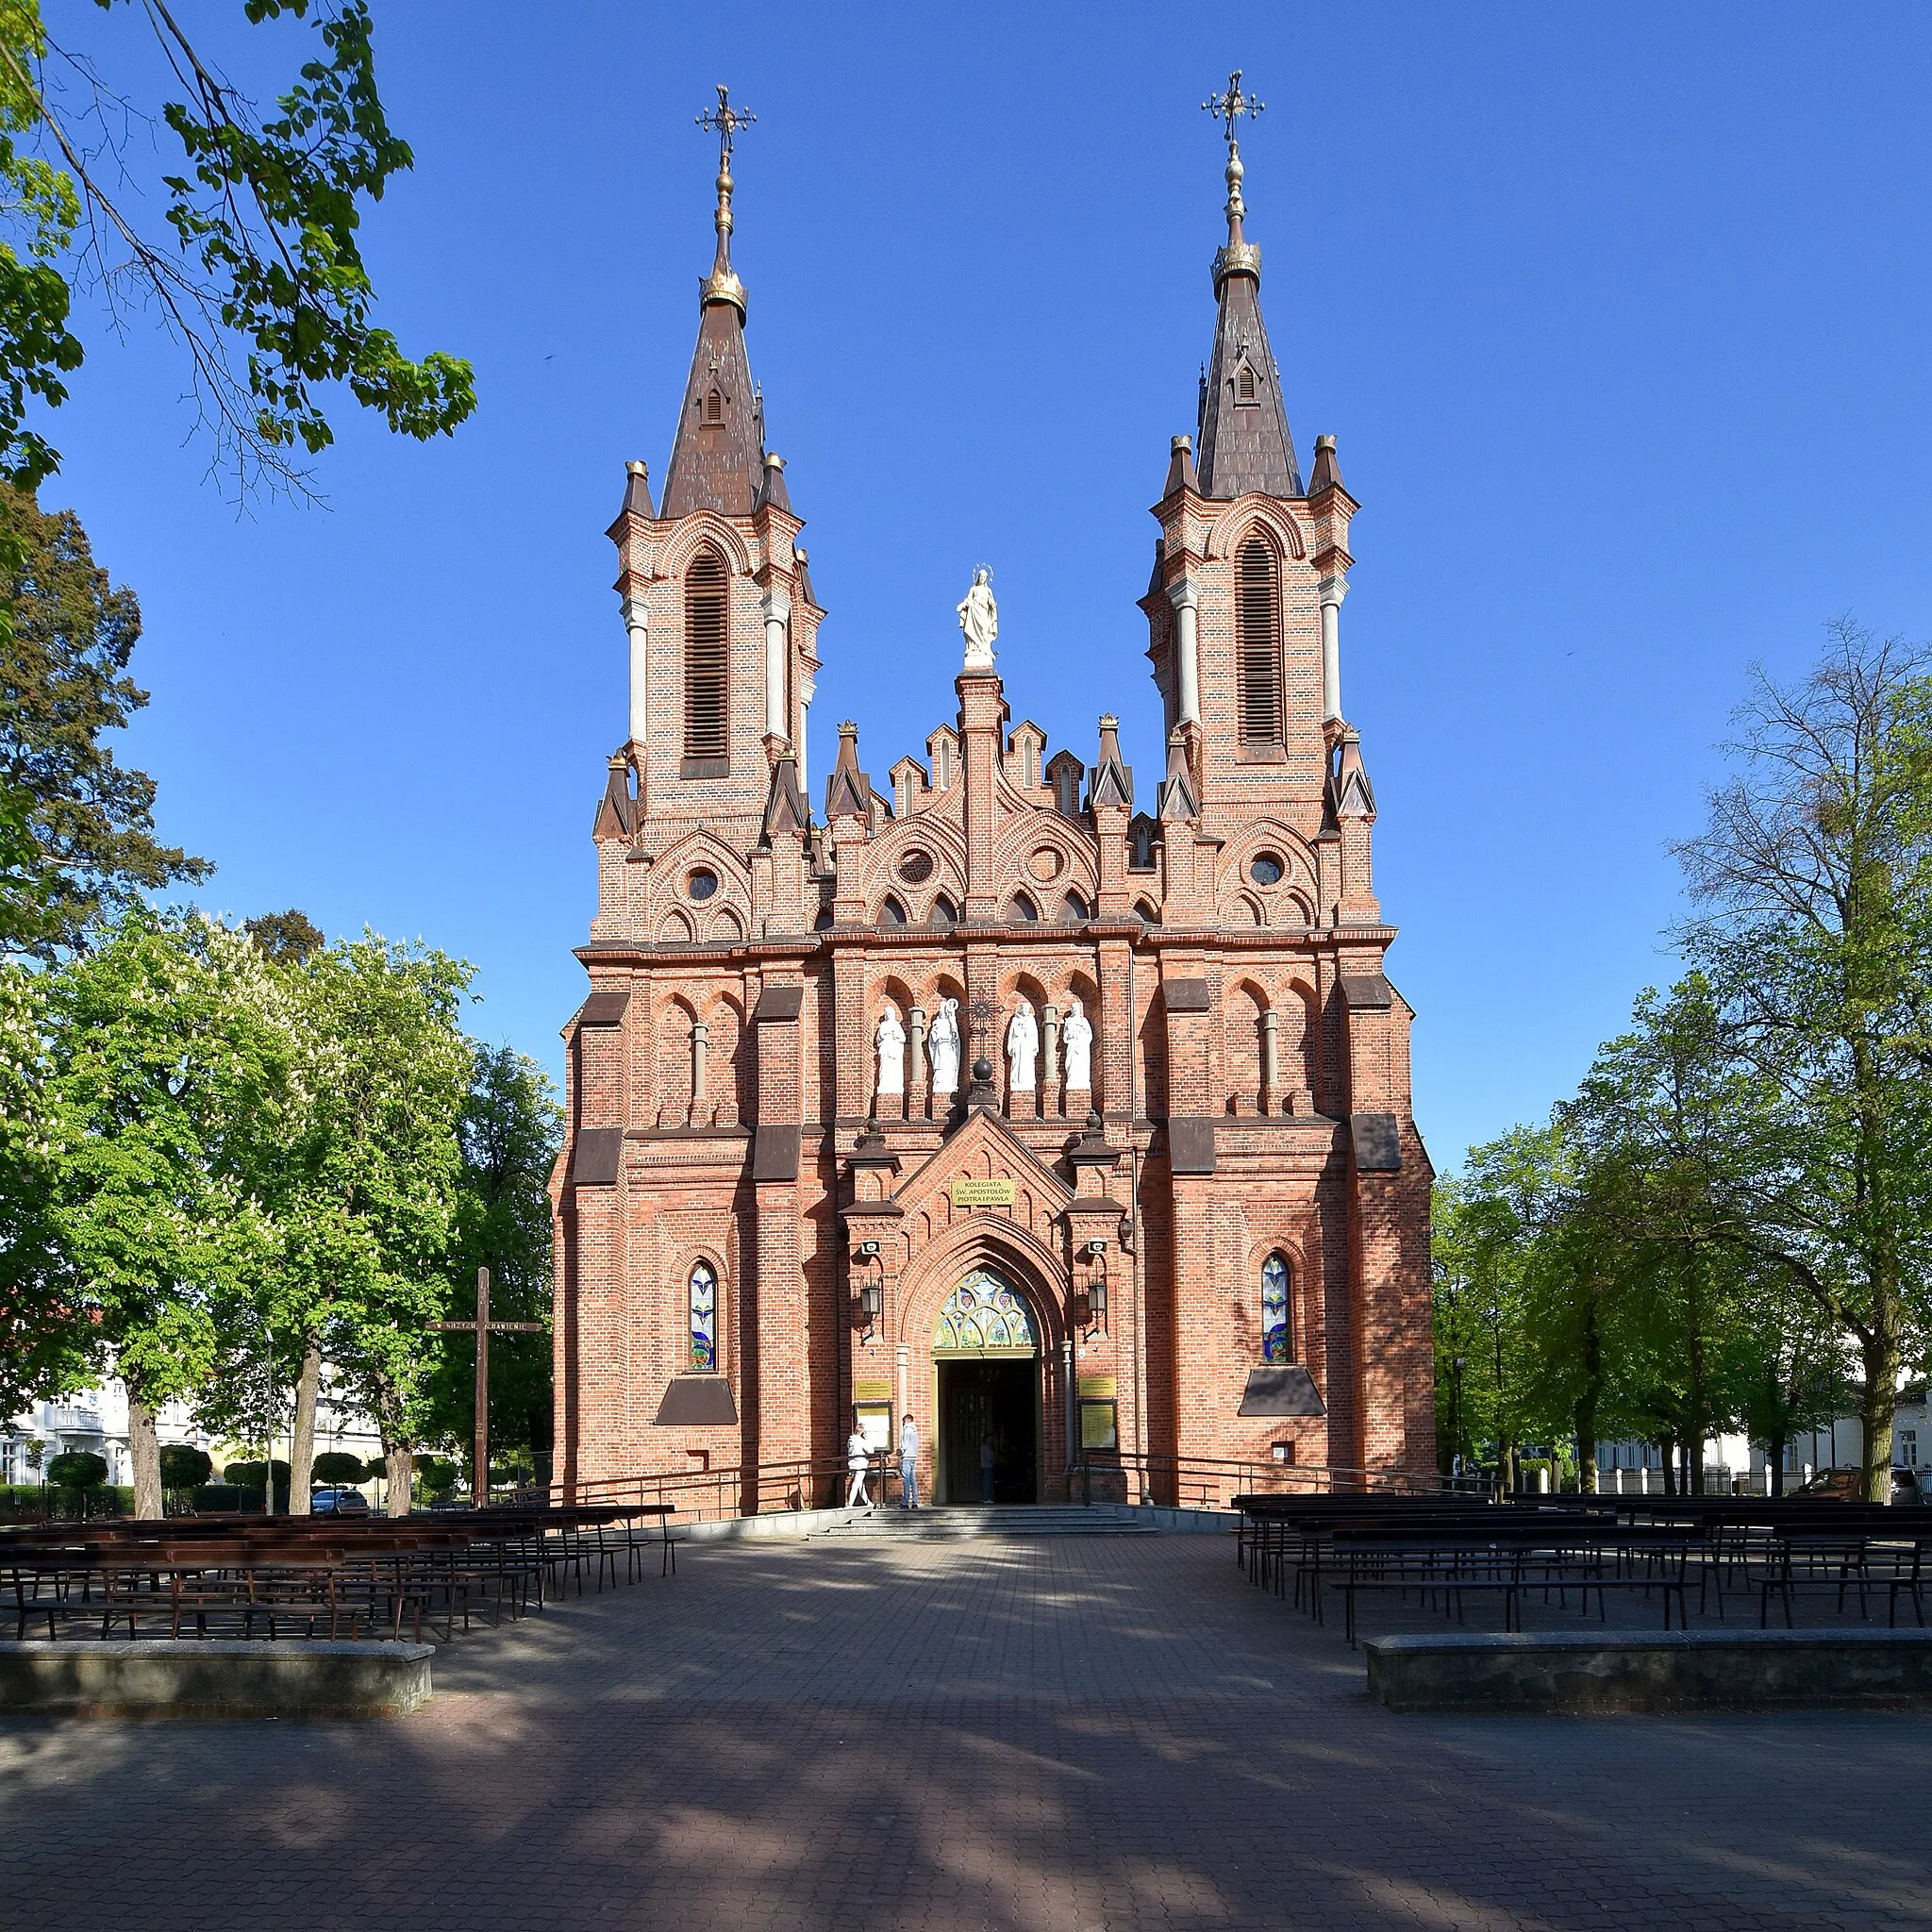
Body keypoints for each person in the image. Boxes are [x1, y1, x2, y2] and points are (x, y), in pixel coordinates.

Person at [846, 1423, 874, 1509]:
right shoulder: (861, 1441)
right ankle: (850, 1503)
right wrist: (867, 1439)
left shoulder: (851, 1440)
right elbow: (871, 1450)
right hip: (860, 1464)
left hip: (852, 1464)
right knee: (856, 1484)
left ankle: (868, 1502)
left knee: (860, 1484)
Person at [899, 1412, 920, 1509]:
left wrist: (900, 1450)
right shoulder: (915, 1430)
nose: (903, 1424)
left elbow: (905, 1444)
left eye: (903, 1421)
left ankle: (905, 1501)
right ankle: (915, 1501)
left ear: (907, 1420)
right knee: (913, 1480)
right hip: (913, 1456)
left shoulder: (907, 1429)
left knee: (906, 1480)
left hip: (907, 1456)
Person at [979, 1432, 996, 1505]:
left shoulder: (984, 1447)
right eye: (989, 1438)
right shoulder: (986, 1447)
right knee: (987, 1482)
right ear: (986, 1439)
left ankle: (983, 1497)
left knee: (985, 1482)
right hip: (987, 1466)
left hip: (984, 1466)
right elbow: (989, 1457)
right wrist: (994, 1458)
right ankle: (986, 1498)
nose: (991, 1440)